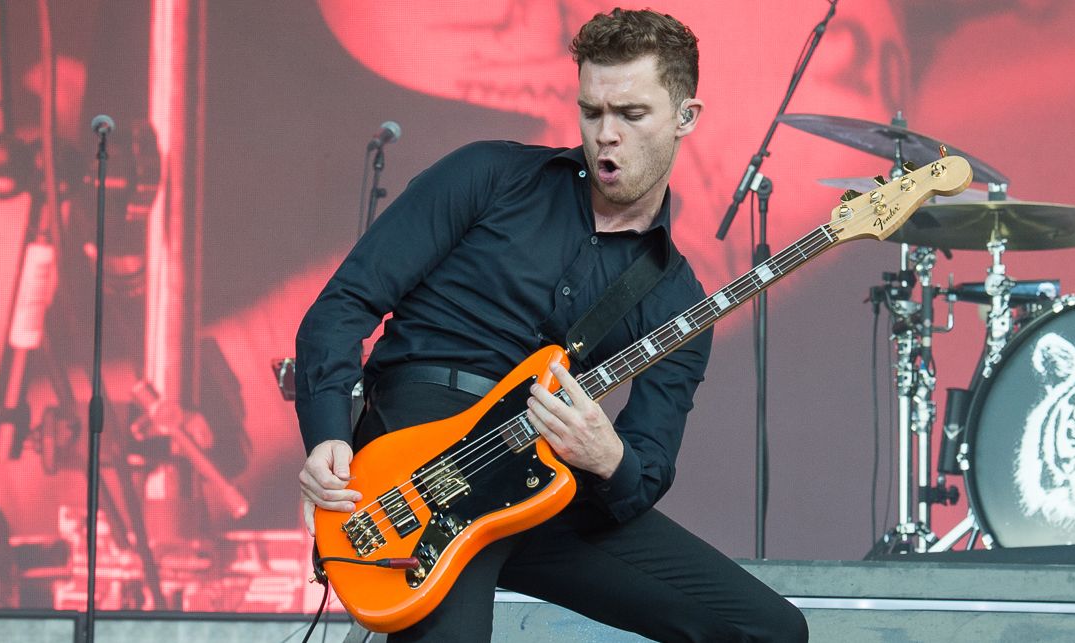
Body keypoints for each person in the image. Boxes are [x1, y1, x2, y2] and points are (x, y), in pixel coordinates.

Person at [295, 8, 808, 642]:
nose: (605, 136)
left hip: (538, 483)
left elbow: (644, 468)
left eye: (631, 114)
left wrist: (608, 456)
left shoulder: (676, 298)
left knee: (768, 630)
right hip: (413, 457)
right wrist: (324, 440)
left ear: (686, 117)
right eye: (592, 113)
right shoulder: (489, 175)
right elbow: (342, 305)